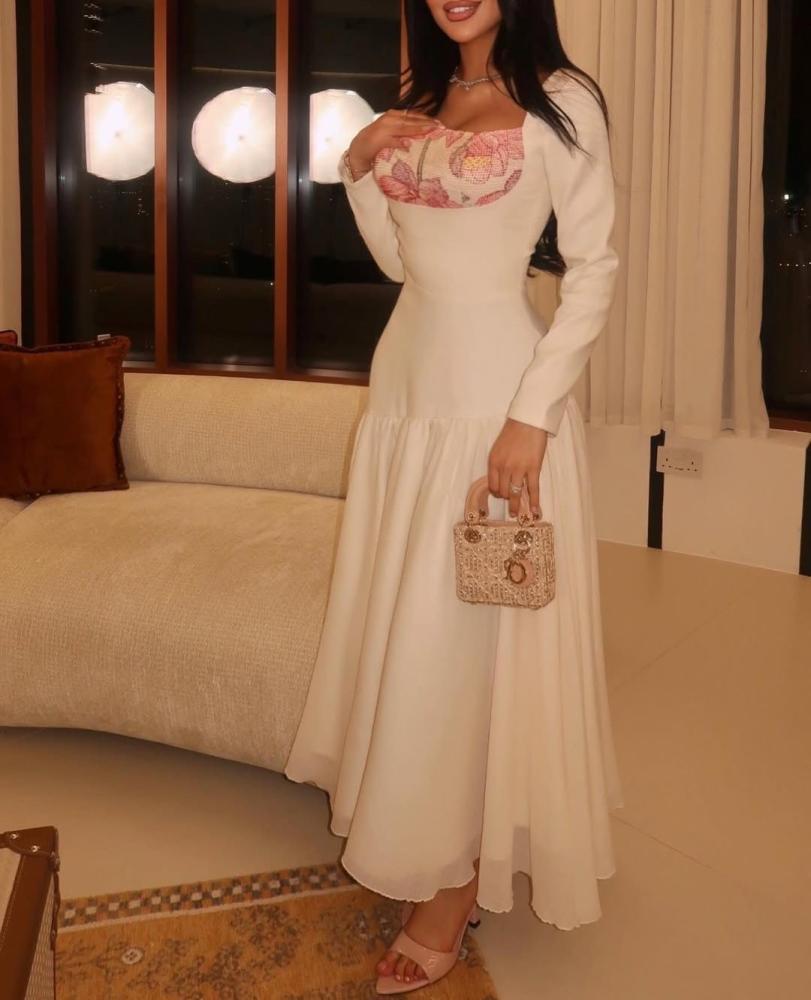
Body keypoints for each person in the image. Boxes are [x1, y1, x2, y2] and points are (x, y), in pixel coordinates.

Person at [284, 0, 624, 992]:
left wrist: (532, 416)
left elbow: (594, 269)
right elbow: (402, 262)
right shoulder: (421, 100)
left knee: (467, 638)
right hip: (405, 389)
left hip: (494, 396)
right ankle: (429, 833)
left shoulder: (561, 99)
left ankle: (455, 873)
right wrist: (356, 168)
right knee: (419, 630)